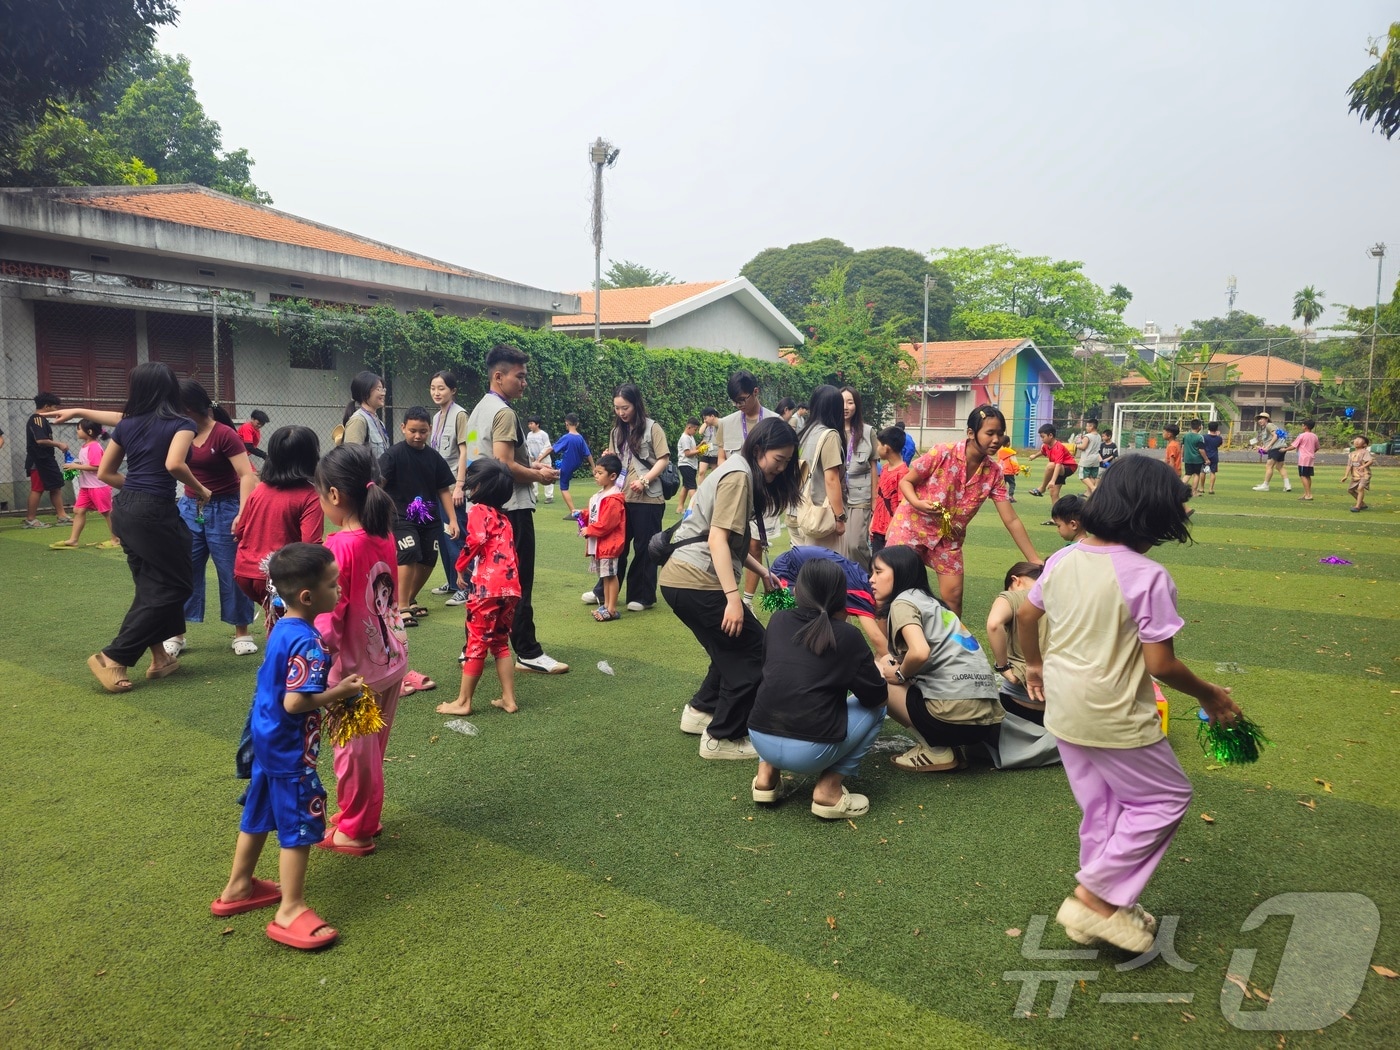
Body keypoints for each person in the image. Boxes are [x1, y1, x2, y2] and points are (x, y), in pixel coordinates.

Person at [1018, 454, 1242, 952]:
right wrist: (1212, 694)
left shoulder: (1063, 558)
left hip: (1064, 709)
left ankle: (1106, 908)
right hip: (1113, 713)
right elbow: (1160, 665)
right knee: (1165, 798)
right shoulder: (1147, 576)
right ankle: (1095, 899)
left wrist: (1032, 664)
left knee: (1103, 808)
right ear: (1150, 519)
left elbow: (1027, 616)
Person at [211, 543, 365, 951]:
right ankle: (290, 910)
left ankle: (238, 886)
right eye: (334, 584)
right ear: (307, 597)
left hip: (266, 740)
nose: (340, 588)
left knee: (260, 810)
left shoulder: (282, 626)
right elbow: (295, 702)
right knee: (298, 825)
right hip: (290, 750)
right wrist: (340, 691)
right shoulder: (310, 645)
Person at [661, 417, 800, 760]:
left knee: (727, 649)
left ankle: (700, 711)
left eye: (786, 462)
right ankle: (722, 737)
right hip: (697, 581)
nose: (781, 469)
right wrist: (733, 599)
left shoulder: (738, 468)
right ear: (758, 449)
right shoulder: (739, 476)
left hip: (679, 580)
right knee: (756, 652)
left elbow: (729, 542)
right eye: (778, 460)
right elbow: (718, 539)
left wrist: (762, 572)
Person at [64, 363, 207, 692]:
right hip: (155, 512)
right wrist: (202, 489)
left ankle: (161, 658)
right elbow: (174, 464)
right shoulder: (182, 423)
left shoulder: (128, 424)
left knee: (150, 585)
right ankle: (114, 657)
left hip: (126, 509)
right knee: (176, 585)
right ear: (172, 389)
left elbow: (104, 473)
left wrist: (138, 487)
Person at [313, 443, 407, 854]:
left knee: (353, 753)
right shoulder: (381, 533)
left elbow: (329, 613)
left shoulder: (340, 546)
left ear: (334, 495)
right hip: (388, 659)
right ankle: (363, 814)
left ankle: (356, 828)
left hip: (353, 672)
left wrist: (314, 651)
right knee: (371, 750)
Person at [748, 559, 889, 819]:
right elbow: (877, 698)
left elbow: (773, 673)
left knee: (779, 692)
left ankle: (765, 777)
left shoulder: (777, 620)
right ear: (840, 594)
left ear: (798, 590)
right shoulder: (848, 635)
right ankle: (828, 790)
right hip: (810, 753)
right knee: (878, 711)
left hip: (759, 737)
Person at [465, 344, 567, 674]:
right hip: (512, 509)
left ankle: (473, 645)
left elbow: (476, 457)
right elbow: (504, 463)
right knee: (517, 580)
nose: (524, 383)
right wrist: (539, 473)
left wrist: (528, 465)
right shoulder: (505, 412)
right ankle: (528, 650)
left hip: (483, 510)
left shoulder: (477, 409)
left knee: (486, 581)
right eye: (519, 376)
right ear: (499, 376)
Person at [883, 404, 1041, 617]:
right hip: (911, 526)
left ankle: (952, 648)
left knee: (954, 597)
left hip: (948, 539)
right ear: (970, 433)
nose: (996, 440)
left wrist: (1034, 559)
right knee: (894, 590)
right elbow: (906, 482)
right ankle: (887, 647)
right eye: (990, 433)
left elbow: (1010, 519)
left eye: (1000, 434)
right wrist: (918, 503)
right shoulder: (943, 452)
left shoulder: (994, 473)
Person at [872, 544, 1003, 772]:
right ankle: (949, 747)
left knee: (879, 671)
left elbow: (920, 652)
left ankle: (936, 750)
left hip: (952, 718)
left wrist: (901, 673)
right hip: (987, 721)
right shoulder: (933, 603)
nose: (871, 579)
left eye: (878, 571)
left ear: (900, 572)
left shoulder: (903, 602)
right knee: (893, 665)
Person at [163, 380, 259, 658]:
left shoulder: (224, 434)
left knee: (231, 570)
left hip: (225, 507)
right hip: (190, 507)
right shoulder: (179, 431)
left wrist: (243, 512)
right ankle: (177, 633)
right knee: (184, 569)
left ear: (189, 408)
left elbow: (247, 474)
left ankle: (242, 632)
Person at [435, 459, 521, 717]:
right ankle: (508, 699)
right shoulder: (505, 519)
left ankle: (463, 702)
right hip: (511, 589)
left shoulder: (478, 511)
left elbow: (477, 539)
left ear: (479, 486)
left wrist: (460, 566)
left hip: (487, 589)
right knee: (500, 642)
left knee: (476, 642)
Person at [590, 383, 670, 613]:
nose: (621, 413)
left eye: (625, 407)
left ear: (636, 404)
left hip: (648, 498)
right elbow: (615, 463)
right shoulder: (617, 432)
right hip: (620, 497)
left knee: (645, 547)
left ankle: (642, 596)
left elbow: (663, 459)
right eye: (617, 408)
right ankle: (602, 592)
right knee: (616, 547)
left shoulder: (653, 428)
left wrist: (645, 481)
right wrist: (609, 458)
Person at [380, 406, 460, 630]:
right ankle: (401, 606)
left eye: (423, 431)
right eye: (412, 430)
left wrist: (452, 520)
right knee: (409, 553)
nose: (417, 435)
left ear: (430, 430)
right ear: (403, 428)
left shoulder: (433, 457)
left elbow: (443, 489)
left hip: (429, 518)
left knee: (428, 559)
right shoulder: (393, 455)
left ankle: (409, 598)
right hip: (400, 515)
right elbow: (378, 486)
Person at [717, 371, 779, 603]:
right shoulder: (726, 422)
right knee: (729, 542)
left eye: (742, 399)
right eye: (734, 401)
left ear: (755, 392)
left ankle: (747, 600)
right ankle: (728, 594)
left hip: (764, 494)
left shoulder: (773, 422)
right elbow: (722, 459)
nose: (738, 405)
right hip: (733, 495)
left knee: (755, 544)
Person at [769, 544, 889, 656]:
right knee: (799, 622)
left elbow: (881, 624)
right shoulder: (862, 596)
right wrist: (895, 666)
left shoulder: (867, 585)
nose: (878, 618)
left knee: (830, 621)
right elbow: (876, 637)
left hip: (802, 562)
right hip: (788, 569)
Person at [787, 384, 847, 555]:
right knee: (825, 574)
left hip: (796, 511)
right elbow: (831, 479)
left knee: (802, 571)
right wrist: (839, 517)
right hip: (819, 516)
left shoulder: (803, 433)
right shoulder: (830, 436)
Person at [986, 562, 1047, 726]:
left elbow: (994, 624)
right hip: (1064, 703)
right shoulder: (1066, 597)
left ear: (1016, 580)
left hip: (1018, 701)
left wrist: (1003, 666)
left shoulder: (1013, 597)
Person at [428, 370, 470, 606]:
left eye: (441, 388)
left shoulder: (460, 415)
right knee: (443, 535)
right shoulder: (436, 417)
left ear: (452, 390)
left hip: (453, 485)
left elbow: (465, 451)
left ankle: (467, 585)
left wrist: (460, 485)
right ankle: (453, 581)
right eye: (433, 387)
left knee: (457, 534)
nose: (436, 392)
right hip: (438, 485)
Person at [49, 418, 116, 550]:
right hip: (86, 487)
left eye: (79, 428)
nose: (77, 431)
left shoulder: (94, 447)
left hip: (98, 486)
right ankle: (73, 540)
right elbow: (89, 464)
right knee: (78, 510)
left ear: (89, 431)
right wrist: (76, 465)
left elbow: (97, 466)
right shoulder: (86, 446)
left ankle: (116, 539)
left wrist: (76, 466)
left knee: (107, 512)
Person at [580, 454, 627, 622]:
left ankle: (611, 608)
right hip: (600, 544)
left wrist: (590, 529)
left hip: (609, 544)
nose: (596, 476)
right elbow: (595, 514)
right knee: (605, 575)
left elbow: (608, 523)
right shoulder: (601, 495)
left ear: (612, 476)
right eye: (596, 473)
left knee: (611, 575)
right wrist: (583, 515)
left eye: (600, 473)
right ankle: (606, 606)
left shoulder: (613, 498)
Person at [839, 386, 876, 570]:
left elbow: (874, 467)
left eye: (850, 402)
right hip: (836, 499)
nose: (845, 406)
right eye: (842, 402)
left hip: (860, 498)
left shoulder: (868, 432)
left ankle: (868, 578)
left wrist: (875, 501)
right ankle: (849, 587)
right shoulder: (831, 432)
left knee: (856, 545)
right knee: (841, 548)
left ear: (856, 405)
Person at [24, 392, 70, 528]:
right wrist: (59, 444)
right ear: (46, 406)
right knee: (37, 489)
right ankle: (30, 520)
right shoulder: (36, 419)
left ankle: (62, 516)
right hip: (38, 460)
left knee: (56, 486)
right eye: (54, 407)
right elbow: (40, 440)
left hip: (47, 459)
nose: (56, 410)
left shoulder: (42, 420)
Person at [869, 424, 909, 557]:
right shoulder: (885, 469)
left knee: (889, 567)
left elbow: (902, 505)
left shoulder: (903, 473)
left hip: (891, 531)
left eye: (878, 445)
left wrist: (892, 527)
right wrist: (873, 521)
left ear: (886, 448)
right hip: (877, 529)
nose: (877, 448)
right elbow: (880, 497)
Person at [550, 412, 594, 519]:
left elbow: (552, 449)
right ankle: (555, 473)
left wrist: (539, 458)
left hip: (567, 464)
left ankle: (573, 511)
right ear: (577, 424)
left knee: (563, 487)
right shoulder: (580, 438)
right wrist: (593, 467)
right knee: (559, 471)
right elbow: (588, 454)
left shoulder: (567, 437)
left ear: (566, 423)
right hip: (576, 464)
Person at [340, 371, 392, 460]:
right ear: (365, 392)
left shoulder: (378, 422)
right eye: (378, 389)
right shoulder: (359, 420)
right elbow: (351, 458)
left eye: (383, 389)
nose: (383, 393)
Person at [1026, 424, 1078, 501]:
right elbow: (1042, 451)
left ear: (1050, 435)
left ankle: (1042, 488)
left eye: (1043, 437)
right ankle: (1057, 513)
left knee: (1051, 465)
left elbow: (1058, 465)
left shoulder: (1058, 447)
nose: (1042, 439)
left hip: (1069, 467)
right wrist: (1034, 456)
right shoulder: (1046, 445)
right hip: (1058, 468)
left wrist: (1052, 480)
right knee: (1053, 493)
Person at [1251, 412, 1291, 492]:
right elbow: (1269, 440)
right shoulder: (1265, 428)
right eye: (1259, 419)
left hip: (1276, 448)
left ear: (1266, 419)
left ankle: (1265, 485)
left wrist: (1268, 446)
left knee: (1269, 466)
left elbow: (1275, 436)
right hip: (1281, 448)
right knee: (1279, 467)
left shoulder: (1269, 425)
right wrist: (1262, 448)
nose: (1260, 421)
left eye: (1262, 418)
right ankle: (1287, 485)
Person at [1287, 419, 1319, 502]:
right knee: (1307, 476)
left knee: (1303, 476)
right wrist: (1311, 452)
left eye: (1302, 425)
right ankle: (1306, 493)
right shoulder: (1314, 436)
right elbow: (1317, 447)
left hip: (1303, 459)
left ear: (1305, 426)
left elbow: (1293, 446)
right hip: (1311, 458)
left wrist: (1284, 449)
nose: (1302, 427)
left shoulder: (1302, 436)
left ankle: (1308, 494)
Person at [525, 416, 554, 504]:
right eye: (529, 424)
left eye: (532, 423)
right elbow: (528, 446)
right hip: (534, 460)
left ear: (537, 424)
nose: (530, 425)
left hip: (544, 459)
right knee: (533, 476)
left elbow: (547, 446)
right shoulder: (529, 435)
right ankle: (534, 495)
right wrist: (530, 456)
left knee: (548, 476)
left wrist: (540, 456)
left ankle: (549, 496)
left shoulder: (543, 434)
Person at [1342, 434, 1374, 512]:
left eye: (1359, 440)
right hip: (1355, 476)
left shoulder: (1365, 452)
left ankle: (1357, 506)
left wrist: (1363, 467)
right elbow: (1349, 465)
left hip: (1365, 475)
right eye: (1356, 440)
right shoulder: (1351, 454)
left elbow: (1370, 461)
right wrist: (1346, 475)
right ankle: (1362, 504)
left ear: (1364, 444)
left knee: (1360, 488)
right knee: (1350, 490)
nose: (1356, 441)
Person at [675, 417, 700, 515]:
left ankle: (680, 508)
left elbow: (693, 449)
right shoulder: (685, 437)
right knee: (692, 487)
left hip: (690, 465)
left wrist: (700, 446)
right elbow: (688, 453)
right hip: (686, 464)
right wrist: (699, 451)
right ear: (689, 427)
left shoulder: (690, 437)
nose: (696, 431)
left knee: (686, 486)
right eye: (695, 429)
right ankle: (695, 509)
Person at [1074, 418, 1103, 494]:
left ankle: (1093, 488)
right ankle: (1089, 494)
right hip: (1096, 459)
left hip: (1087, 459)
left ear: (1092, 426)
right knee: (1092, 477)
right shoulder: (1099, 436)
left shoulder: (1087, 436)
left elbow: (1083, 447)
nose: (1086, 428)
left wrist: (1075, 446)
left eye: (1087, 426)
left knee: (1082, 476)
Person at [1182, 419, 1207, 496]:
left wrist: (1183, 456)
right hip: (1197, 459)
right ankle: (1194, 492)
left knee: (1187, 474)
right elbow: (1201, 450)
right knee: (1196, 474)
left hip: (1187, 458)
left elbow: (1183, 446)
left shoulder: (1185, 436)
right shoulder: (1200, 437)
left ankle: (1177, 489)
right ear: (1199, 427)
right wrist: (1206, 459)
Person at [696, 407, 720, 483]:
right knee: (701, 472)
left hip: (715, 451)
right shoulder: (706, 425)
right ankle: (701, 489)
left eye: (705, 418)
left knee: (715, 472)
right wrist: (706, 422)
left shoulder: (718, 425)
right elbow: (700, 432)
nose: (704, 420)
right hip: (706, 451)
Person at [1202, 421, 1222, 494]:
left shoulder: (1204, 437)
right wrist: (1218, 435)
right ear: (1216, 428)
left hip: (1205, 456)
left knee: (1203, 472)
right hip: (1214, 456)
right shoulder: (1219, 438)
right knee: (1213, 472)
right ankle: (1210, 489)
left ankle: (1201, 488)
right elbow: (1219, 444)